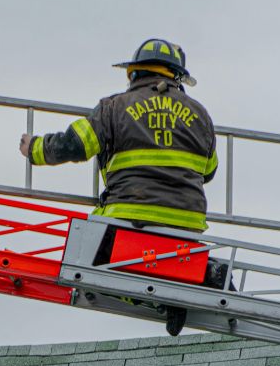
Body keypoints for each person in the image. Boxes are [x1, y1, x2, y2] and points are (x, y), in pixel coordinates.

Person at [19, 38, 217, 334]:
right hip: (186, 226)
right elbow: (209, 171)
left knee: (87, 267)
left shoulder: (114, 107)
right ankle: (197, 279)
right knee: (153, 262)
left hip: (129, 218)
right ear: (177, 78)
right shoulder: (200, 115)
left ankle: (160, 300)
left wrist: (34, 149)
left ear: (133, 73)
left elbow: (74, 145)